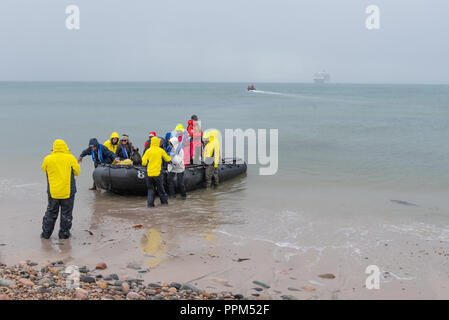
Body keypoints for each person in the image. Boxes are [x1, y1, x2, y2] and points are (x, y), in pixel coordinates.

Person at [41, 139, 80, 239]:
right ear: (65, 147)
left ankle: (46, 234)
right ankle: (64, 234)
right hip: (68, 191)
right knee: (66, 213)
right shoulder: (70, 158)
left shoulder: (47, 159)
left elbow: (44, 169)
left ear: (54, 148)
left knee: (51, 212)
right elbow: (77, 172)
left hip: (53, 191)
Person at [141, 137, 171, 207]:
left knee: (151, 190)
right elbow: (167, 159)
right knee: (161, 190)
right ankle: (164, 205)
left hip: (149, 174)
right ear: (157, 143)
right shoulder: (161, 150)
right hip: (158, 174)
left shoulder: (148, 151)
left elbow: (143, 163)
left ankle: (150, 205)